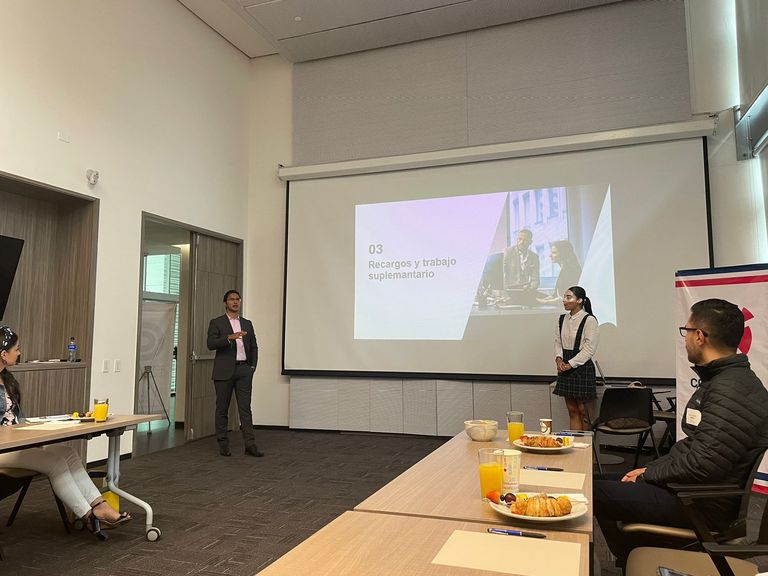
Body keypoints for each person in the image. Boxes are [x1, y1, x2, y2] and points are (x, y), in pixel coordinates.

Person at [594, 299, 768, 565]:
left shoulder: (729, 390)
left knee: (594, 492)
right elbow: (697, 452)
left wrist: (648, 475)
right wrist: (648, 470)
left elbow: (702, 463)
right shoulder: (730, 381)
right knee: (595, 481)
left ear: (699, 336)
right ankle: (632, 555)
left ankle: (632, 557)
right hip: (693, 492)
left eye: (685, 331)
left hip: (698, 504)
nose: (684, 339)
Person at [0, 326, 130, 538]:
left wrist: (42, 424)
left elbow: (17, 419)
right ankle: (89, 515)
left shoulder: (7, 380)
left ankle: (100, 505)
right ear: (3, 354)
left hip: (16, 444)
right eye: (17, 349)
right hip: (3, 449)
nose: (19, 352)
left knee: (69, 453)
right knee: (54, 462)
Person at [207, 289, 263, 458]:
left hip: (244, 370)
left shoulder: (247, 323)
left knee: (245, 409)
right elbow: (210, 344)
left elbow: (254, 346)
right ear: (225, 303)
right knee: (222, 409)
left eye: (238, 299)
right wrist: (229, 338)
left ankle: (250, 445)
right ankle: (223, 444)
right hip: (224, 371)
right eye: (232, 299)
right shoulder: (217, 322)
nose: (235, 302)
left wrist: (252, 367)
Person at [552, 286, 599, 431]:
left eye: (568, 297)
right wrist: (559, 359)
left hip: (581, 367)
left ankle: (586, 444)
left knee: (584, 412)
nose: (564, 300)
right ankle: (575, 443)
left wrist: (570, 364)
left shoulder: (589, 320)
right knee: (572, 410)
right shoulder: (562, 319)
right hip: (565, 366)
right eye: (564, 297)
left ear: (579, 300)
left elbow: (589, 349)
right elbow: (558, 342)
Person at [501, 229, 540, 306]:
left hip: (525, 294)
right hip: (508, 294)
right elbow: (502, 274)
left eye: (525, 240)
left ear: (530, 242)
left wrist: (530, 288)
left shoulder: (534, 257)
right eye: (520, 239)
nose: (521, 242)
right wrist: (506, 291)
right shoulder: (507, 252)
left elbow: (535, 280)